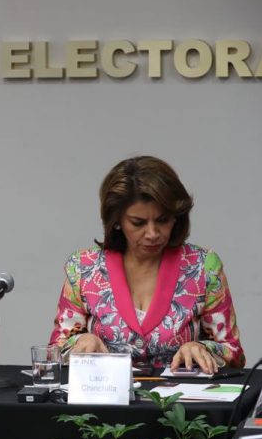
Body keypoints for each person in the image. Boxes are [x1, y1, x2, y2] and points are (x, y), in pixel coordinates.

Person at [50, 156, 244, 373]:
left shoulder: (203, 267)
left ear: (176, 217)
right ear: (116, 221)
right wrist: (80, 342)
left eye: (162, 220)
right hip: (104, 402)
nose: (152, 234)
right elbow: (54, 351)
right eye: (138, 223)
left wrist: (201, 348)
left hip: (180, 403)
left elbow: (233, 352)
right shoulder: (84, 268)